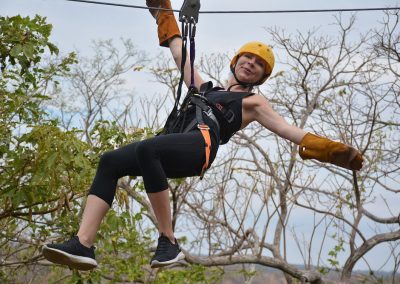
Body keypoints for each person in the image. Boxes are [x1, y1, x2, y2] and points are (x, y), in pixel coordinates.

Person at [42, 0, 364, 271]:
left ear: (262, 77)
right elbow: (178, 49)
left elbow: (286, 129)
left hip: (200, 148)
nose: (250, 64)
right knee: (110, 161)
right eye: (247, 58)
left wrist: (329, 150)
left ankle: (168, 242)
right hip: (176, 144)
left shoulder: (252, 103)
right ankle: (83, 245)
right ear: (236, 61)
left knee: (148, 150)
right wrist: (162, 10)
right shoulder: (205, 88)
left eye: (258, 64)